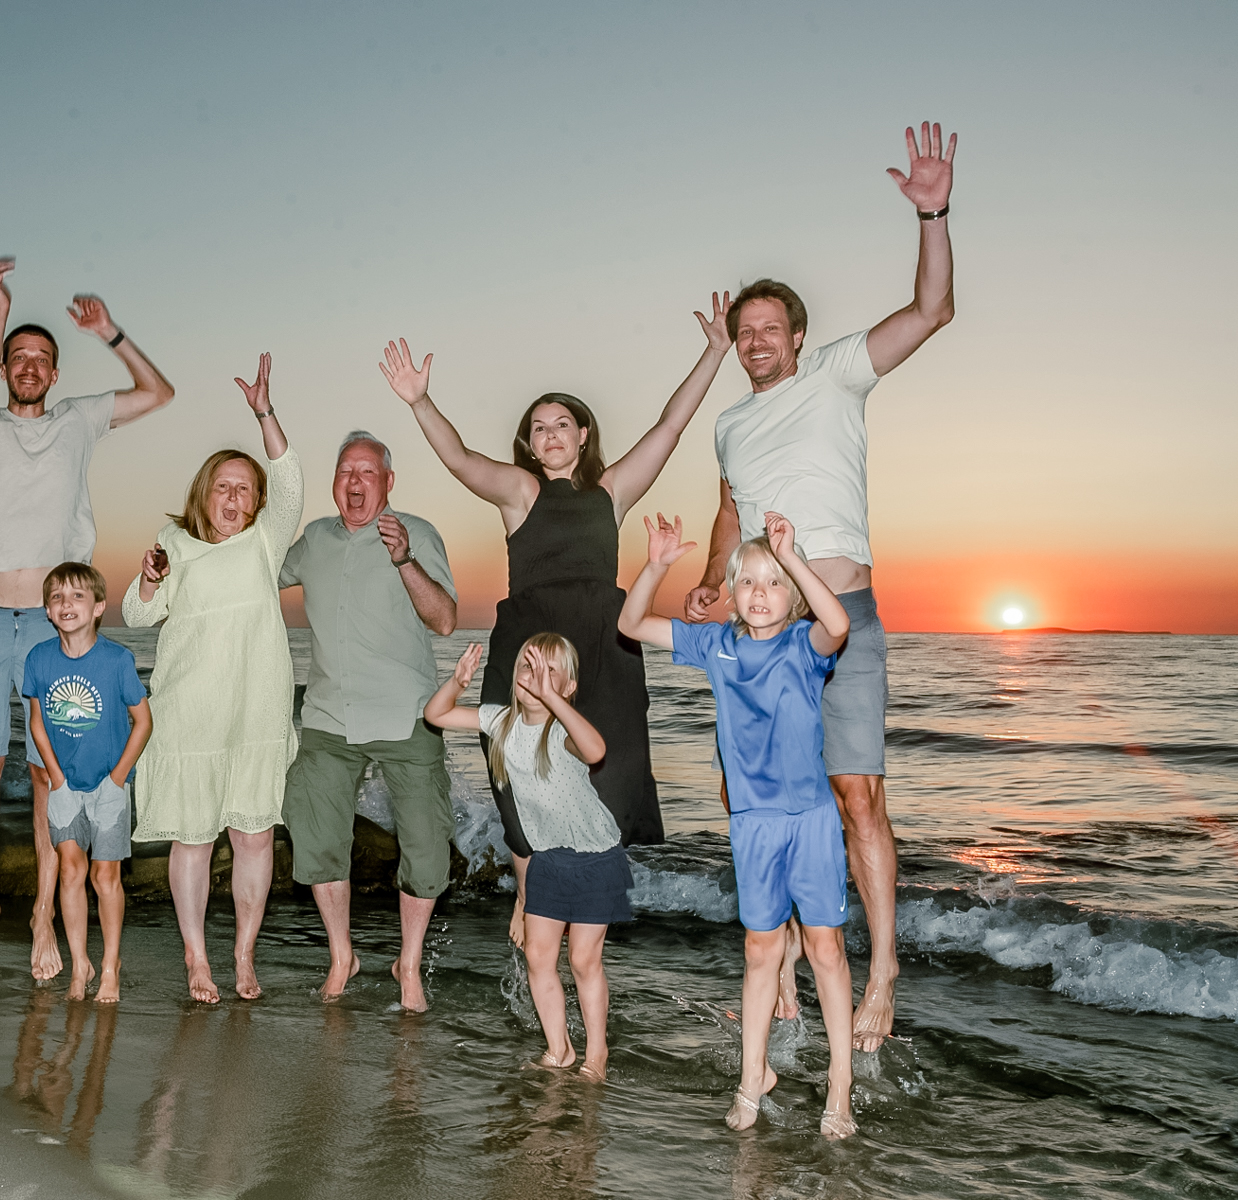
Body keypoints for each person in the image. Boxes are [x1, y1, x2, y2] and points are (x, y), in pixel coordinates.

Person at [683, 123, 958, 1050]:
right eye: (744, 332)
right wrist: (711, 588)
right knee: (757, 803)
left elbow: (931, 310)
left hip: (845, 617)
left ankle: (880, 972)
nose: (757, 340)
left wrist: (932, 213)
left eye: (771, 328)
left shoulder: (838, 372)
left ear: (797, 336)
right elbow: (729, 515)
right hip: (762, 640)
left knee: (855, 797)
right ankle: (788, 974)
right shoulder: (727, 425)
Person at [379, 294, 730, 944]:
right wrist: (419, 401)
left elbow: (671, 426)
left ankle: (586, 902)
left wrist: (713, 351)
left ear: (584, 434)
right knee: (513, 765)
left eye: (561, 423)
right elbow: (459, 459)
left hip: (601, 646)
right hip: (530, 646)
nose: (549, 434)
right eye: (538, 427)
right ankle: (529, 890)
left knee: (605, 776)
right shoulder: (521, 492)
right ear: (530, 443)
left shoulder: (612, 492)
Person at [0, 257, 175, 975]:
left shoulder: (79, 418)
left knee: (50, 773)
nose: (27, 365)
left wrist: (110, 332)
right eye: (17, 355)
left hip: (57, 627)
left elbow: (159, 391)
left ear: (54, 375)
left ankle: (45, 915)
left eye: (41, 359)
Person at [622, 512, 857, 1138]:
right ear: (731, 588)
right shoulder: (717, 644)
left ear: (793, 595)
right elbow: (631, 624)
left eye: (774, 582)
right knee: (760, 950)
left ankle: (840, 1084)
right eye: (748, 580)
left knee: (827, 948)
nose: (759, 592)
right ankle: (752, 1075)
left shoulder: (803, 645)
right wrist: (658, 564)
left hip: (810, 820)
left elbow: (839, 624)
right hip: (753, 824)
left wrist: (794, 556)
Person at [122, 353, 303, 1004]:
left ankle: (244, 956)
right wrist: (147, 579)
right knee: (193, 839)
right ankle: (197, 960)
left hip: (254, 713)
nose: (233, 497)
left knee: (254, 837)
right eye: (222, 487)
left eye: (243, 489)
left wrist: (264, 412)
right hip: (190, 715)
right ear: (205, 493)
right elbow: (137, 615)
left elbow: (289, 477)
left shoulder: (265, 543)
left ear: (256, 503)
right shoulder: (175, 539)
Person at [277, 431, 458, 1010]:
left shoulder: (418, 533)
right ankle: (342, 956)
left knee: (427, 847)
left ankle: (408, 963)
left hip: (407, 712)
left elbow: (446, 620)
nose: (355, 483)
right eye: (345, 471)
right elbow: (255, 573)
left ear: (388, 482)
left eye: (367, 472)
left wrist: (403, 557)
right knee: (318, 836)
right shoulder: (312, 541)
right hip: (330, 713)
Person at [424, 635, 626, 1081]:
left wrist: (552, 699)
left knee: (583, 961)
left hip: (596, 859)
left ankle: (597, 1053)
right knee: (538, 956)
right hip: (548, 860)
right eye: (528, 667)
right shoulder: (499, 723)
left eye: (550, 671)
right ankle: (560, 1050)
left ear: (569, 687)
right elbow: (435, 714)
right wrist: (457, 682)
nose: (535, 677)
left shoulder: (562, 730)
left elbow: (596, 750)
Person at [21, 562, 153, 1004]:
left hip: (108, 788)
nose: (66, 604)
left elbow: (143, 721)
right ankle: (80, 967)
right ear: (47, 609)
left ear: (98, 607)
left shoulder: (117, 660)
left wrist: (118, 778)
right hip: (64, 787)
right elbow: (38, 724)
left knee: (105, 876)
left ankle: (110, 967)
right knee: (71, 872)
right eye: (57, 596)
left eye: (78, 596)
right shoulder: (39, 658)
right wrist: (55, 779)